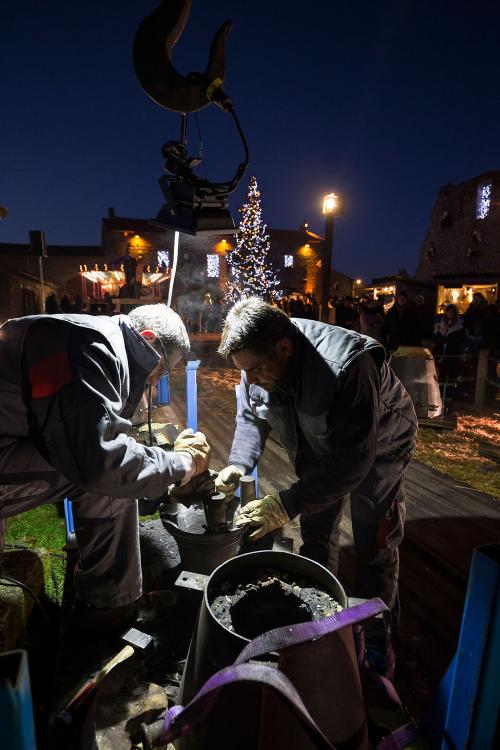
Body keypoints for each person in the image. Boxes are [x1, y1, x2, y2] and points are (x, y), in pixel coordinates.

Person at [215, 299, 417, 652]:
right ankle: (321, 626)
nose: (250, 379)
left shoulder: (347, 365)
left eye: (257, 369)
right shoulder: (258, 365)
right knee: (316, 532)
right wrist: (238, 464)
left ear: (284, 348)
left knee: (374, 542)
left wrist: (286, 503)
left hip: (381, 445)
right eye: (243, 370)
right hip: (316, 443)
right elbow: (251, 417)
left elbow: (355, 460)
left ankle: (375, 639)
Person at [0, 304, 210, 631]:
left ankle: (109, 595)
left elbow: (79, 426)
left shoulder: (92, 336)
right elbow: (101, 463)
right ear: (148, 340)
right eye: (161, 371)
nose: (156, 380)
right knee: (109, 480)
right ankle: (113, 607)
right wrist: (184, 463)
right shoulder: (93, 349)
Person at [433, 303, 465, 381]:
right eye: (448, 311)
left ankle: (451, 391)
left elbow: (460, 340)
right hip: (440, 353)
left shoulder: (459, 326)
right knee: (440, 374)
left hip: (452, 353)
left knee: (452, 373)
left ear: (455, 313)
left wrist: (450, 341)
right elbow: (436, 339)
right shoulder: (441, 324)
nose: (450, 313)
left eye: (452, 312)